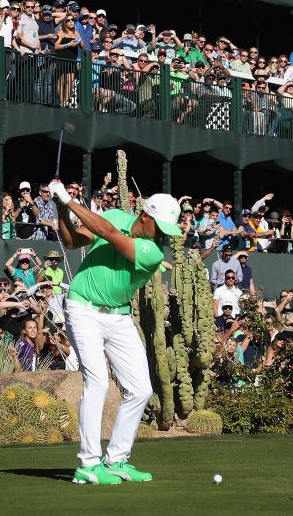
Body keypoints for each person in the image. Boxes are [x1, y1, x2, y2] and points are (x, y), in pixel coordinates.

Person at [51, 180, 180, 485]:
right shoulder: (116, 216)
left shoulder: (150, 251)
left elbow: (107, 233)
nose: (163, 235)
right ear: (145, 216)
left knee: (141, 389)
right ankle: (88, 463)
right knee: (97, 383)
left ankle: (117, 460)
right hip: (83, 308)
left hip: (119, 317)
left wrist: (69, 200)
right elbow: (71, 241)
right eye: (160, 227)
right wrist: (59, 206)